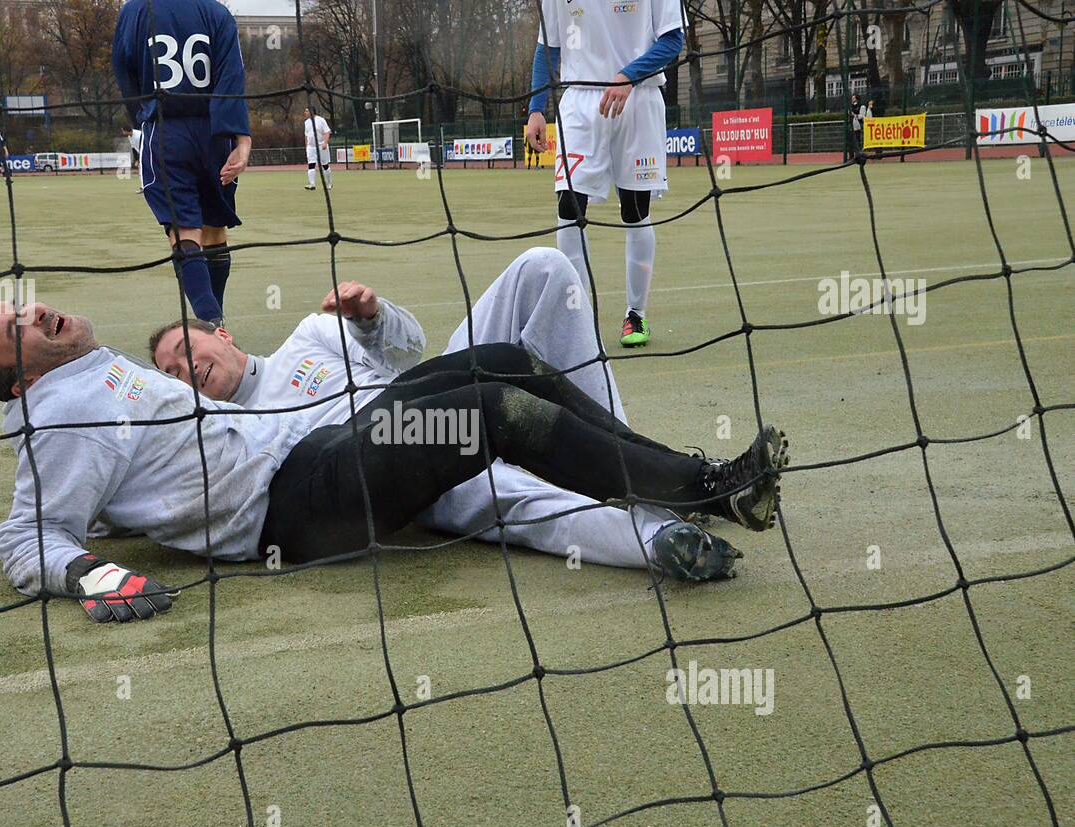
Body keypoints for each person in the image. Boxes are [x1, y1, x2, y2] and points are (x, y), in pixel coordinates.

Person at [0, 298, 788, 621]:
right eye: (17, 329)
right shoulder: (57, 417)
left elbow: (108, 484)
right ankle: (710, 494)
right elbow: (27, 537)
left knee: (504, 357)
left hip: (308, 448)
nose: (39, 313)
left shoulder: (87, 380)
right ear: (18, 383)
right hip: (297, 504)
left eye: (23, 305)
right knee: (494, 414)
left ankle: (700, 479)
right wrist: (97, 578)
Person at [147, 247, 787, 579]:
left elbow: (411, 348)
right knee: (512, 488)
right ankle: (658, 531)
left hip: (426, 384)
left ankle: (638, 469)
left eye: (185, 348)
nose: (185, 368)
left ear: (221, 335)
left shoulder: (309, 335)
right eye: (172, 374)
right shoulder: (229, 434)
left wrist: (375, 316)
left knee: (545, 270)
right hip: (405, 467)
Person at [524, 0, 686, 349]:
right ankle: (576, 319)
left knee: (635, 211)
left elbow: (673, 40)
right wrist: (536, 108)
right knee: (569, 208)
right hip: (580, 102)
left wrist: (629, 75)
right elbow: (548, 47)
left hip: (638, 98)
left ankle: (635, 314)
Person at [112, 0, 252, 326]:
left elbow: (124, 70)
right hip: (215, 133)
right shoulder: (216, 12)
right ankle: (217, 325)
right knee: (215, 231)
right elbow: (231, 78)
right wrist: (242, 141)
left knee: (185, 234)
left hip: (166, 130)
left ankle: (210, 324)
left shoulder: (134, 11)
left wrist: (143, 115)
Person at [303, 107, 333, 191]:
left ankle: (329, 184)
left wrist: (325, 143)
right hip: (311, 147)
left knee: (325, 165)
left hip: (321, 146)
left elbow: (327, 132)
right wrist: (307, 146)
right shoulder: (306, 122)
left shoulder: (321, 120)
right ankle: (312, 184)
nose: (305, 113)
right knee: (311, 164)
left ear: (312, 111)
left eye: (306, 111)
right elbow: (306, 135)